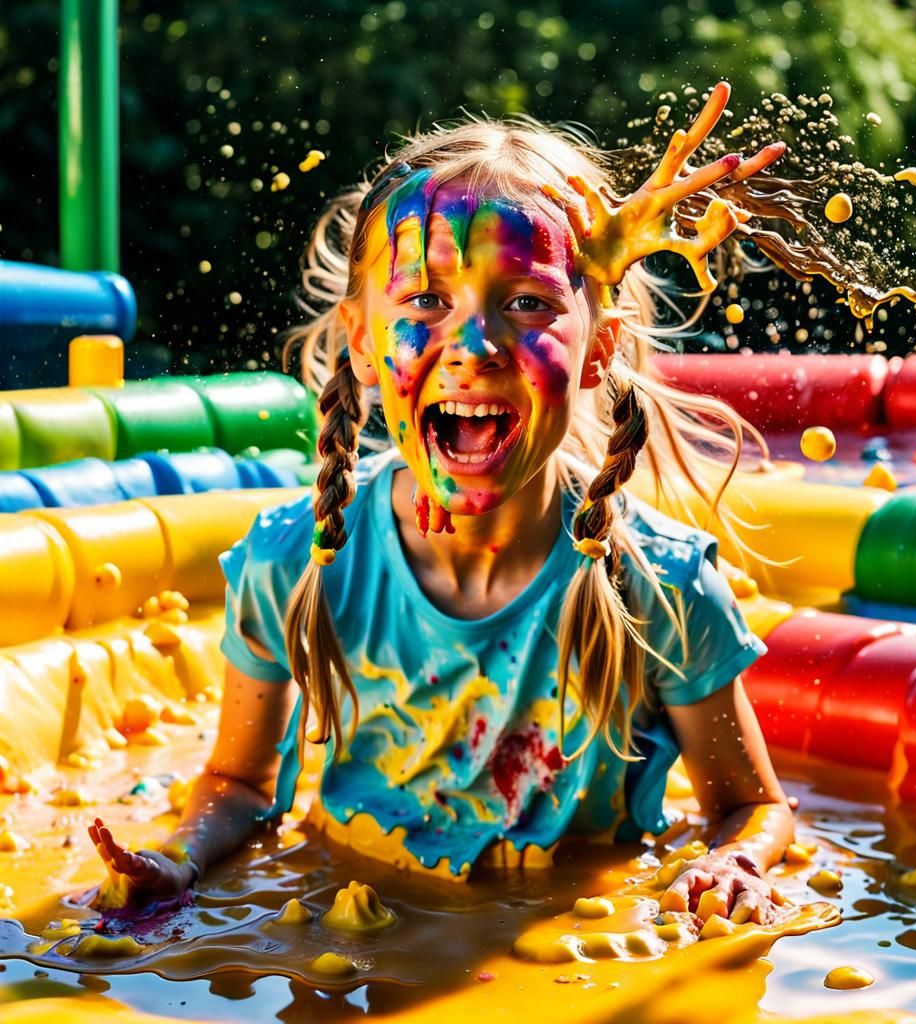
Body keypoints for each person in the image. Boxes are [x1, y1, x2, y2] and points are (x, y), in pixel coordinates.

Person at [90, 81, 795, 928]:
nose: (474, 345)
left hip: (570, 942)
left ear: (598, 350)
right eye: (426, 300)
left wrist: (733, 864)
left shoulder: (660, 584)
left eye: (527, 304)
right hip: (349, 928)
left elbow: (750, 806)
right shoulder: (299, 558)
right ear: (360, 336)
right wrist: (179, 860)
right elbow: (240, 786)